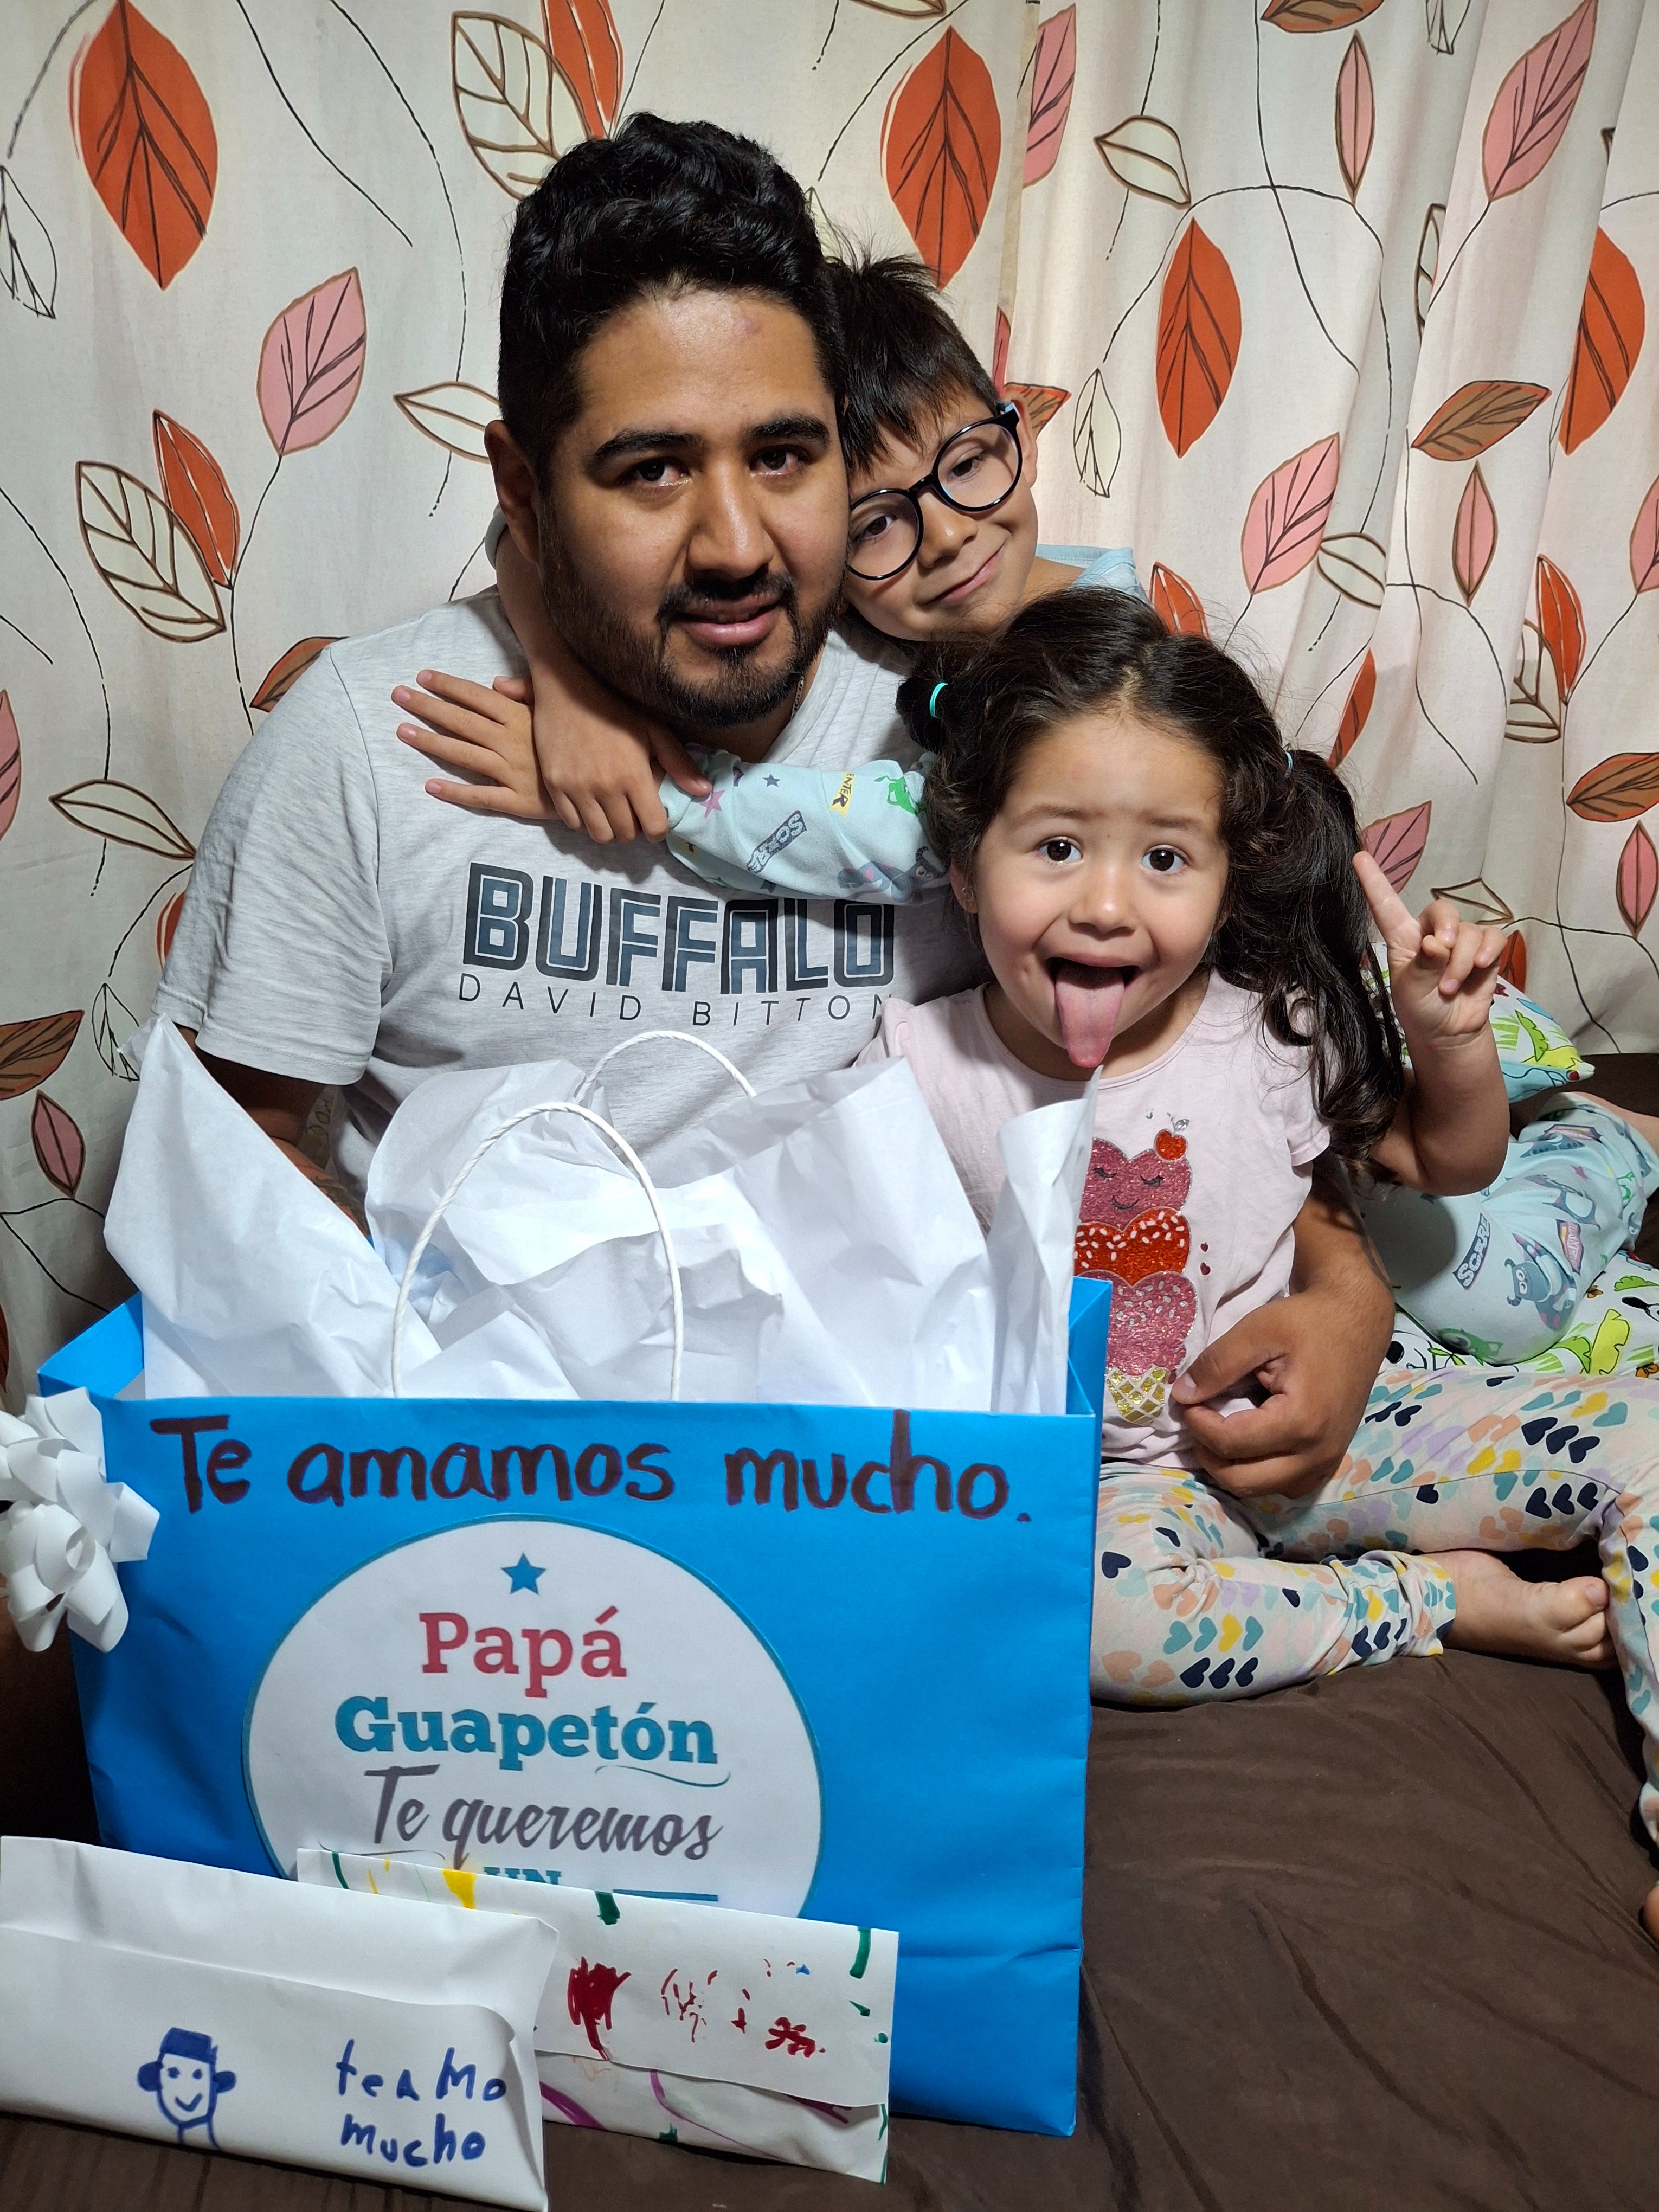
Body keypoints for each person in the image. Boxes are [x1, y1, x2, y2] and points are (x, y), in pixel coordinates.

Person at [149, 114, 1392, 1493]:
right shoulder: (373, 744)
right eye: (651, 469)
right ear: (524, 490)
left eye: (787, 457)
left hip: (886, 1479)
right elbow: (228, 1164)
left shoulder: (979, 718)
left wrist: (1347, 1291)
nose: (738, 546)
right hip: (515, 1490)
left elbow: (1205, 1045)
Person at [398, 251, 1659, 1375]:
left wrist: (643, 788)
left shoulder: (1086, 652)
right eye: (879, 524)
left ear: (1015, 432)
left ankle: (1603, 1139)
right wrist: (569, 684)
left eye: (969, 465)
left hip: (1318, 991)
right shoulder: (903, 658)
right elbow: (530, 515)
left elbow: (846, 831)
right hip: (1253, 1054)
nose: (947, 538)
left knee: (1487, 1292)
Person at [873, 589, 1659, 1933]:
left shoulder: (1273, 1031)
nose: (1107, 905)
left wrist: (1450, 1041)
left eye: (1165, 859)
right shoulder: (912, 1069)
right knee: (1093, 1631)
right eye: (1055, 847)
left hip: (1343, 1432)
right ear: (963, 864)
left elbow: (1448, 1161)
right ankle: (1434, 1602)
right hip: (1118, 1493)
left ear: (1229, 876)